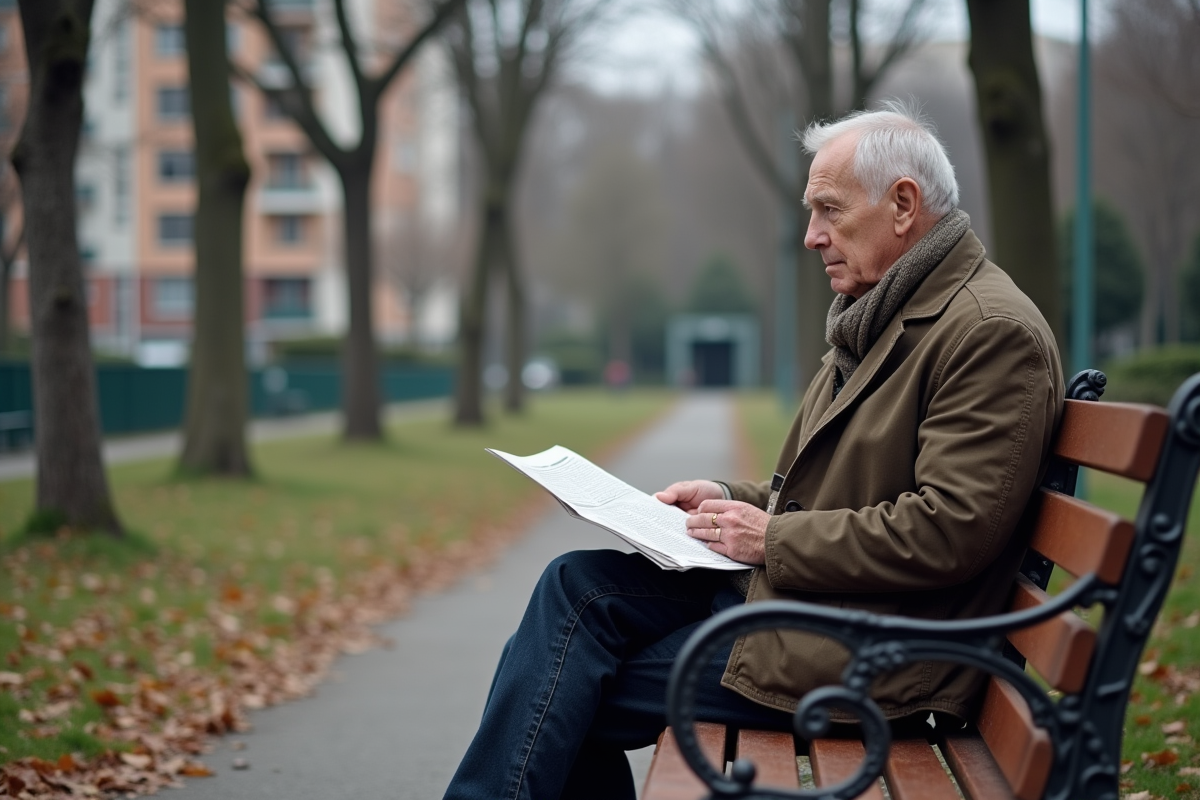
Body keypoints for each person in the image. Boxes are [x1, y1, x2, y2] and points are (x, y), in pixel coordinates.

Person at [443, 101, 1064, 800]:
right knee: (573, 587)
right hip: (811, 604)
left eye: (829, 210)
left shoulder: (987, 332)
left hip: (879, 653)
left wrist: (771, 537)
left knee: (568, 691)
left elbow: (951, 531)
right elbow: (845, 498)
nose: (811, 236)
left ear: (903, 204)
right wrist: (729, 500)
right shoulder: (885, 312)